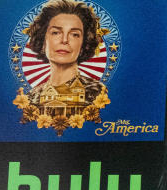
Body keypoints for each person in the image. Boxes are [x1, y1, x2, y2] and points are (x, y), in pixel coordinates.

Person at [18, 1, 110, 132]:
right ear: (43, 41)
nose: (65, 40)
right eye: (56, 32)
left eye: (75, 34)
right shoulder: (31, 97)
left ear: (84, 44)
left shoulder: (99, 92)